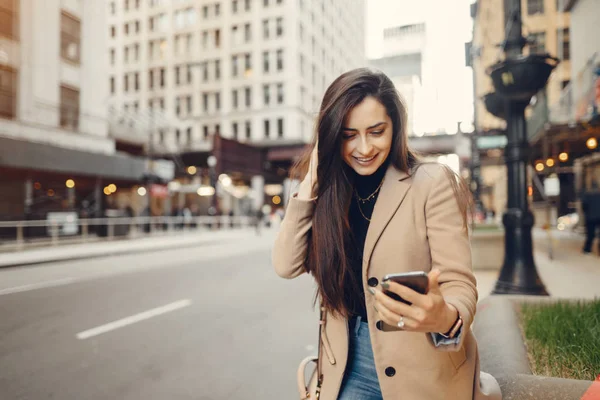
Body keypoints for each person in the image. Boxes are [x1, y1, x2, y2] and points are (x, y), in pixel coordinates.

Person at [272, 69, 501, 400]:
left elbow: (459, 284)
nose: (363, 148)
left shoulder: (431, 183)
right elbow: (285, 265)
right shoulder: (328, 194)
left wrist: (443, 316)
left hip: (424, 367)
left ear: (395, 127)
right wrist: (312, 181)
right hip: (345, 367)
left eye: (376, 132)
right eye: (348, 135)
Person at [581, 182, 600, 255]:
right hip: (595, 216)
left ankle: (587, 249)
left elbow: (584, 206)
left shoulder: (587, 193)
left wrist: (587, 213)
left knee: (590, 234)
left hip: (590, 217)